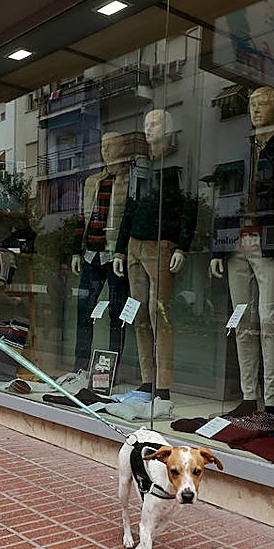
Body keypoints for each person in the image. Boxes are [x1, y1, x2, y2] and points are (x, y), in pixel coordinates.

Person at [210, 86, 274, 423]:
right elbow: (225, 200)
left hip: (271, 243)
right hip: (236, 245)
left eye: (263, 104)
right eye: (252, 104)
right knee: (243, 321)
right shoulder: (241, 151)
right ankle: (248, 397)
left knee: (269, 321)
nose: (255, 109)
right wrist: (217, 248)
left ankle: (272, 402)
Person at [112, 109, 197, 400]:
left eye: (155, 123)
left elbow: (189, 205)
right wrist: (120, 249)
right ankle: (147, 379)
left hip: (161, 245)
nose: (148, 128)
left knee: (158, 312)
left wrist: (182, 245)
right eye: (146, 124)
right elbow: (130, 208)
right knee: (139, 313)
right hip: (135, 245)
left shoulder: (180, 163)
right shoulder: (141, 165)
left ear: (169, 128)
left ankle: (163, 384)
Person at [70, 132, 132, 372]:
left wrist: (121, 252)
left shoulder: (130, 180)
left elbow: (128, 219)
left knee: (117, 312)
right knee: (84, 309)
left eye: (111, 146)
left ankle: (110, 370)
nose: (106, 150)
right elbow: (81, 217)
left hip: (115, 256)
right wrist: (76, 250)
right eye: (103, 146)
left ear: (122, 148)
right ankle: (80, 366)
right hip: (91, 255)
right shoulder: (92, 181)